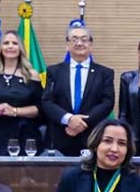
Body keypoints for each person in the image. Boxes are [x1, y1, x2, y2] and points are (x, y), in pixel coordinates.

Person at [41, 25, 115, 156]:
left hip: (92, 137)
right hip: (60, 136)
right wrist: (69, 119)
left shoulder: (104, 73)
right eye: (74, 39)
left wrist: (82, 122)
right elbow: (47, 102)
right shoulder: (54, 71)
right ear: (67, 45)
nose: (79, 43)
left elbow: (107, 102)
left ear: (91, 45)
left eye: (84, 39)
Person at [0, 30, 43, 156]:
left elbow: (39, 109)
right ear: (0, 48)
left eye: (15, 43)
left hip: (23, 133)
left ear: (21, 48)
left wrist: (14, 111)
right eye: (6, 43)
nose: (10, 46)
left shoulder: (31, 75)